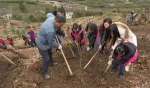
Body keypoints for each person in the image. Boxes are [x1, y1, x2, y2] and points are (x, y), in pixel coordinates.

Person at [36, 14, 66, 79]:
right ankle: (44, 72)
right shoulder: (51, 31)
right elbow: (51, 42)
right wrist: (58, 45)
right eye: (60, 25)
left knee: (50, 53)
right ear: (56, 21)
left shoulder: (52, 17)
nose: (61, 26)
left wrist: (62, 33)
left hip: (47, 42)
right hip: (42, 43)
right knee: (46, 58)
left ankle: (51, 62)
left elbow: (48, 14)